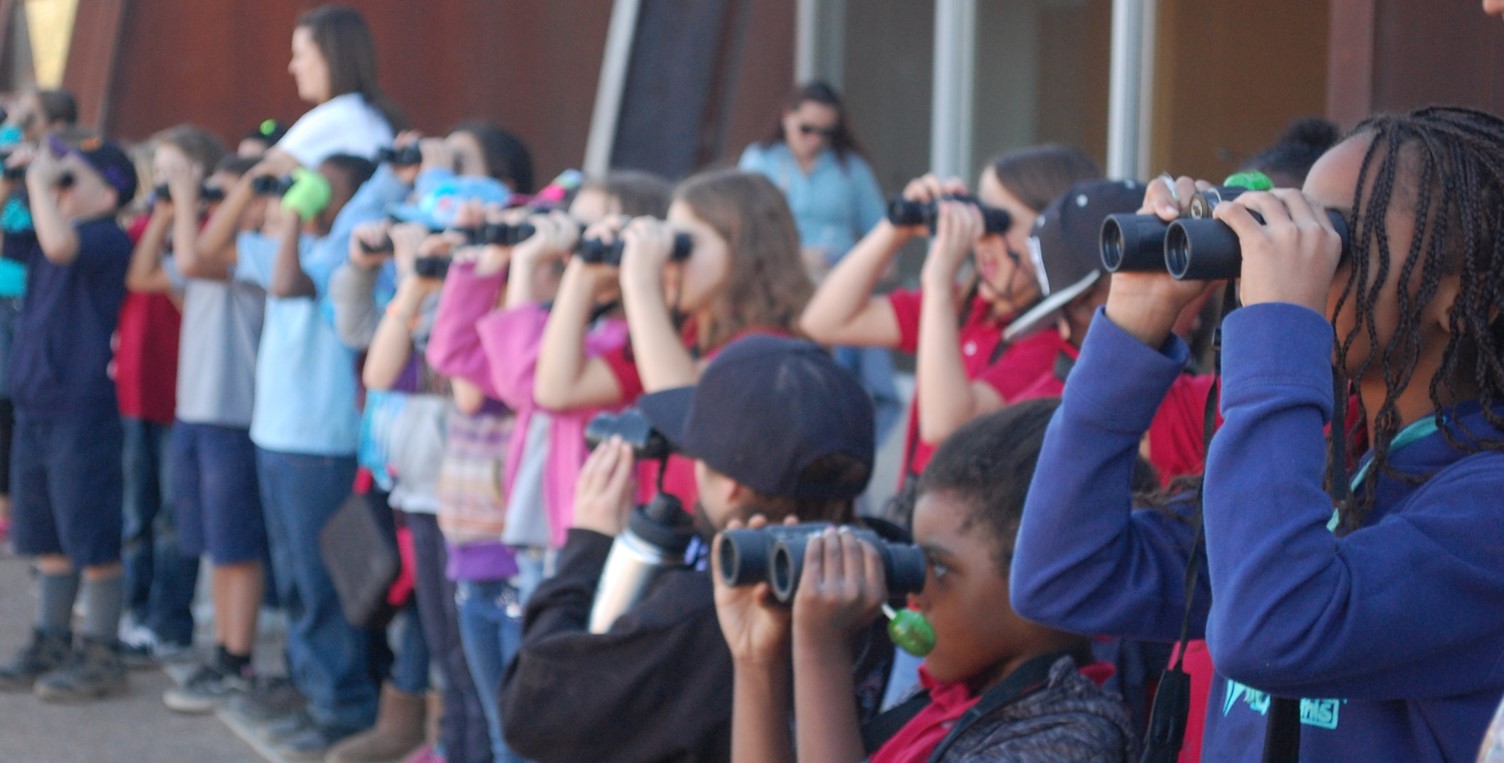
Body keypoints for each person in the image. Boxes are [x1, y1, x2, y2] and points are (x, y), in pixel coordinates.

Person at [1012, 106, 1504, 762]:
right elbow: (1065, 573)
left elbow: (1275, 628)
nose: (1300, 250)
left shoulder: (1485, 508)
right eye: (1292, 217)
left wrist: (1276, 332)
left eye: (1337, 235)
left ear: (1467, 293)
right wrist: (1134, 321)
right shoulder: (1339, 476)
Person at [500, 335, 894, 762]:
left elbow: (530, 709)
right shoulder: (895, 571)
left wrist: (588, 545)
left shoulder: (703, 616)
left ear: (732, 487)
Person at [716, 400, 1136, 762]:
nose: (914, 592)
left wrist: (821, 653)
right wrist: (757, 661)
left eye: (937, 567)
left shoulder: (1069, 738)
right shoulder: (950, 701)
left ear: (1047, 586)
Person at [425, 170, 671, 763]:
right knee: (512, 725)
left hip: (594, 549)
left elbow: (533, 383)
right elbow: (453, 355)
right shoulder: (577, 325)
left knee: (545, 736)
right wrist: (486, 266)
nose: (575, 244)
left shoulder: (629, 341)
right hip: (544, 545)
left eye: (594, 232)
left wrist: (555, 280)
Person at [801, 145, 1100, 488]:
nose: (980, 238)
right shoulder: (962, 308)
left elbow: (946, 424)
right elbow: (824, 320)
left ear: (1053, 236)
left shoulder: (1050, 343)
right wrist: (895, 228)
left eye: (997, 222)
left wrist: (939, 284)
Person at [534, 169, 814, 508]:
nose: (668, 261)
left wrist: (640, 283)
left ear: (745, 252)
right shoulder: (679, 337)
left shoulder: (771, 347)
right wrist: (581, 274)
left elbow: (684, 412)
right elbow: (558, 389)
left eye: (683, 245)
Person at [123, 146, 276, 715]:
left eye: (234, 197)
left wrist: (188, 202)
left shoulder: (248, 255)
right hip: (196, 411)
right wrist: (166, 212)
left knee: (235, 546)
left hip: (234, 414)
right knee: (213, 542)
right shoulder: (203, 248)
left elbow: (190, 261)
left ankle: (237, 659)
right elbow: (142, 276)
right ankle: (223, 655)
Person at [0, 132, 138, 702]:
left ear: (108, 195)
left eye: (71, 179)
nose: (58, 188)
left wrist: (39, 178)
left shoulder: (106, 238)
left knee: (90, 530)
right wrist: (16, 181)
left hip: (82, 408)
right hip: (37, 401)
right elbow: (15, 245)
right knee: (47, 532)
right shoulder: (48, 230)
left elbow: (60, 249)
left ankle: (102, 648)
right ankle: (52, 636)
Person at [115, 126, 230, 668]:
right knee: (136, 512)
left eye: (175, 173)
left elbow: (176, 282)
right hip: (136, 390)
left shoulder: (206, 233)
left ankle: (170, 621)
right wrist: (159, 216)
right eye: (157, 173)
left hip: (182, 391)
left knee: (173, 516)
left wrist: (180, 214)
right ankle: (133, 614)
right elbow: (136, 278)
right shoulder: (148, 226)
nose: (162, 184)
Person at [738, 81, 903, 452]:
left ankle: (836, 448)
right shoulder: (761, 160)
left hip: (835, 290)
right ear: (786, 118)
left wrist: (856, 268)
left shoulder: (849, 168)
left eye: (825, 133)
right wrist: (796, 255)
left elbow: (885, 233)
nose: (814, 140)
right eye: (806, 129)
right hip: (780, 292)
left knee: (836, 384)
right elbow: (745, 234)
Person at [266, 4, 403, 174]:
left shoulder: (336, 116)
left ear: (329, 59)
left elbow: (260, 174)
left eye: (300, 55)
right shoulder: (374, 115)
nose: (292, 67)